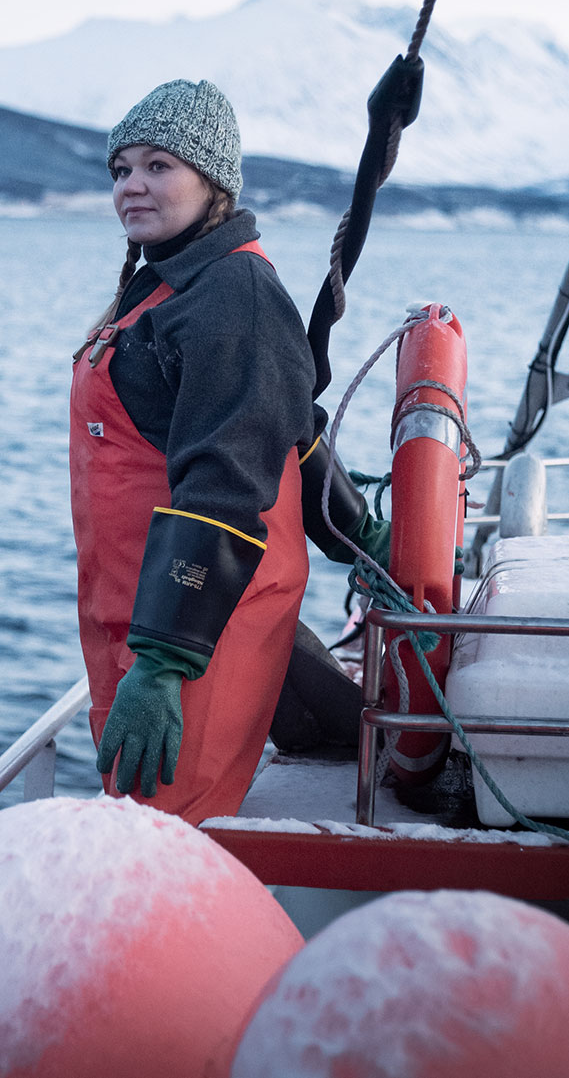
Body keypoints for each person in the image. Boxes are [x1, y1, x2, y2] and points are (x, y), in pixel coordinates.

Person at [70, 79, 387, 826]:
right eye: (122, 169)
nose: (133, 186)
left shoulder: (232, 292)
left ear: (211, 179)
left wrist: (164, 662)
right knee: (137, 830)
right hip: (138, 619)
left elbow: (226, 478)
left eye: (159, 165)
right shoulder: (169, 285)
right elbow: (289, 427)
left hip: (193, 641)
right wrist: (355, 528)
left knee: (162, 845)